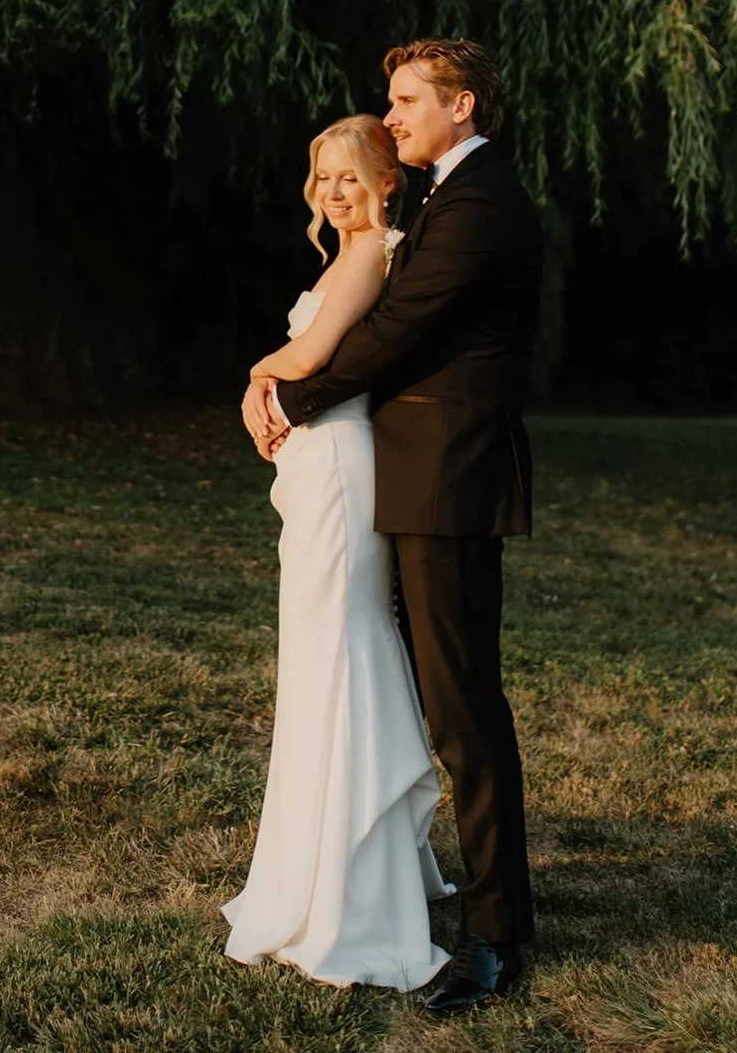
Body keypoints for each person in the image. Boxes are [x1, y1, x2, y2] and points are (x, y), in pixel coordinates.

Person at [243, 37, 543, 1017]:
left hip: (446, 484)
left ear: (462, 104)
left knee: (465, 710)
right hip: (410, 480)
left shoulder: (482, 202)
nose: (394, 111)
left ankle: (498, 936)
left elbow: (397, 328)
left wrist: (286, 394)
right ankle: (412, 876)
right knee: (435, 696)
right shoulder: (441, 199)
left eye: (408, 97)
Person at [222, 113, 455, 991]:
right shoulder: (351, 252)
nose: (333, 192)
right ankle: (328, 868)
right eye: (322, 177)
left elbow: (315, 351)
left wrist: (255, 379)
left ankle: (350, 886)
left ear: (387, 180)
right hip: (321, 458)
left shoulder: (370, 254)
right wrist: (272, 392)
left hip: (341, 465)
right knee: (322, 655)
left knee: (340, 649)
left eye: (349, 176)